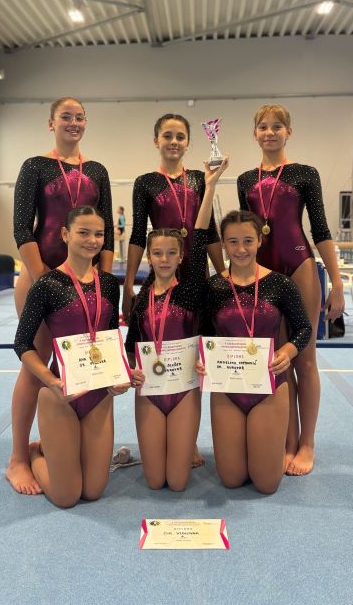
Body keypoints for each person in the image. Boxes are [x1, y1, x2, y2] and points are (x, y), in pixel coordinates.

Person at [6, 97, 114, 495]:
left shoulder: (97, 170)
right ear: (50, 123)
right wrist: (45, 281)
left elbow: (107, 232)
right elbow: (23, 228)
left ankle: (67, 440)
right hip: (42, 277)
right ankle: (18, 458)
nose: (73, 122)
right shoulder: (35, 166)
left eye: (79, 117)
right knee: (36, 365)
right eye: (65, 116)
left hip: (87, 282)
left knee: (87, 360)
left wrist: (101, 284)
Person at [237, 104, 344, 475]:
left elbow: (320, 228)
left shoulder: (304, 173)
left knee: (305, 357)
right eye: (263, 127)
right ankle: (288, 440)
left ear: (288, 132)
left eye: (277, 126)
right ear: (255, 133)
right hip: (262, 271)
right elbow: (244, 234)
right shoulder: (245, 180)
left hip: (298, 266)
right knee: (278, 360)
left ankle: (307, 443)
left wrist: (337, 281)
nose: (270, 132)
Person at [14, 206, 138, 508]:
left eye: (98, 234)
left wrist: (121, 373)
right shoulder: (47, 285)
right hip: (61, 393)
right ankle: (34, 453)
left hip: (98, 393)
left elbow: (110, 336)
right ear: (65, 234)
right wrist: (51, 382)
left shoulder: (108, 284)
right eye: (83, 232)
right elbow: (22, 344)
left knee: (93, 491)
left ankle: (58, 450)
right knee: (66, 496)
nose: (92, 240)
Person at [125, 158, 228, 491]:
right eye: (158, 254)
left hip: (183, 387)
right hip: (151, 389)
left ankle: (183, 442)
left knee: (179, 482)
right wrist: (130, 370)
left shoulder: (191, 289)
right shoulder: (142, 297)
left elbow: (200, 233)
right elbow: (130, 344)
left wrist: (210, 186)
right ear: (149, 257)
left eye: (172, 253)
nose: (165, 259)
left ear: (182, 256)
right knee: (155, 481)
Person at [197, 210, 312, 494]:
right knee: (231, 479)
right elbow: (204, 333)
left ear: (260, 240)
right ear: (223, 244)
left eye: (248, 240)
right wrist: (201, 358)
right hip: (227, 386)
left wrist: (288, 351)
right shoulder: (213, 287)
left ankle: (268, 449)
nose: (241, 249)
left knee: (266, 484)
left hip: (268, 385)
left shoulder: (281, 284)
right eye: (233, 241)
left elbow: (304, 329)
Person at [123, 113, 224, 320]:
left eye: (180, 137)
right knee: (163, 327)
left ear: (187, 143)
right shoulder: (145, 182)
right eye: (167, 136)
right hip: (163, 270)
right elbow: (138, 235)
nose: (174, 142)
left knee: (198, 327)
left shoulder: (200, 179)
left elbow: (211, 232)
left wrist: (223, 276)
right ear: (156, 141)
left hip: (197, 272)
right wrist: (128, 283)